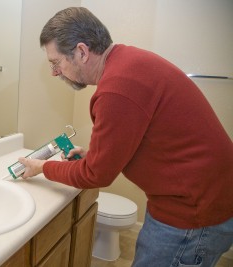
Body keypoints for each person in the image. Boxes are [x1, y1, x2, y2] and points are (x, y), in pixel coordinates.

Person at [19, 7, 233, 267]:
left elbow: (96, 176)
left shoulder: (117, 89)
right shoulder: (128, 61)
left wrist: (43, 167)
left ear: (82, 52)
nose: (55, 72)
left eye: (56, 63)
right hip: (201, 198)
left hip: (192, 214)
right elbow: (146, 138)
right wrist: (94, 156)